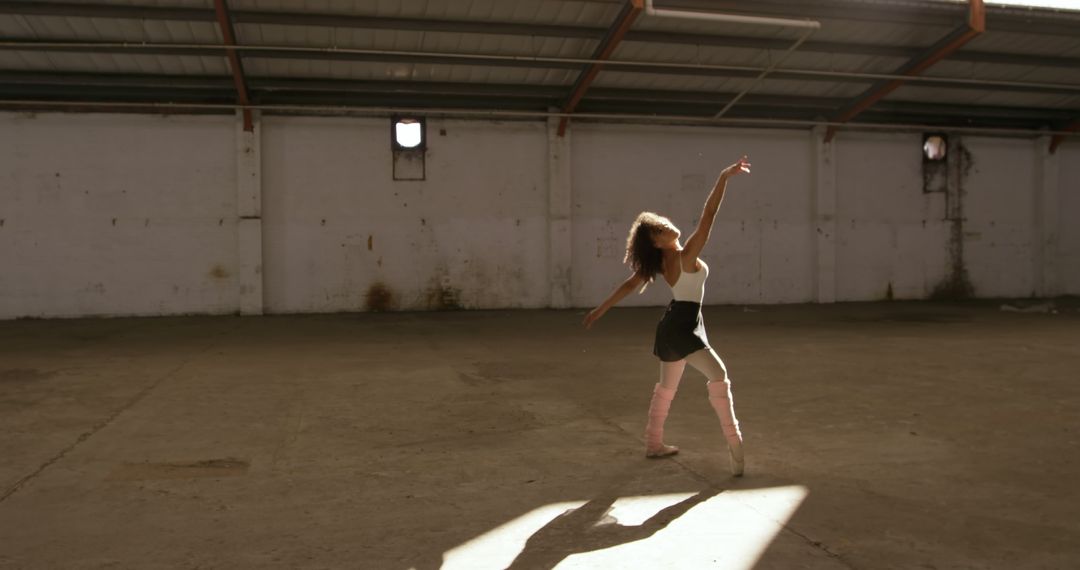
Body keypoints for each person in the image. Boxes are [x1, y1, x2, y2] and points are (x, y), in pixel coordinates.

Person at [583, 156, 751, 476]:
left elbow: (630, 284)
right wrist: (723, 178)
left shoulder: (663, 263)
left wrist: (600, 310)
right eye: (660, 228)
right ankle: (735, 442)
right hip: (682, 325)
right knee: (719, 377)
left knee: (666, 388)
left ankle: (653, 443)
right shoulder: (684, 256)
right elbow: (709, 215)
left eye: (662, 220)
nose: (666, 223)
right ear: (658, 242)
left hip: (675, 324)